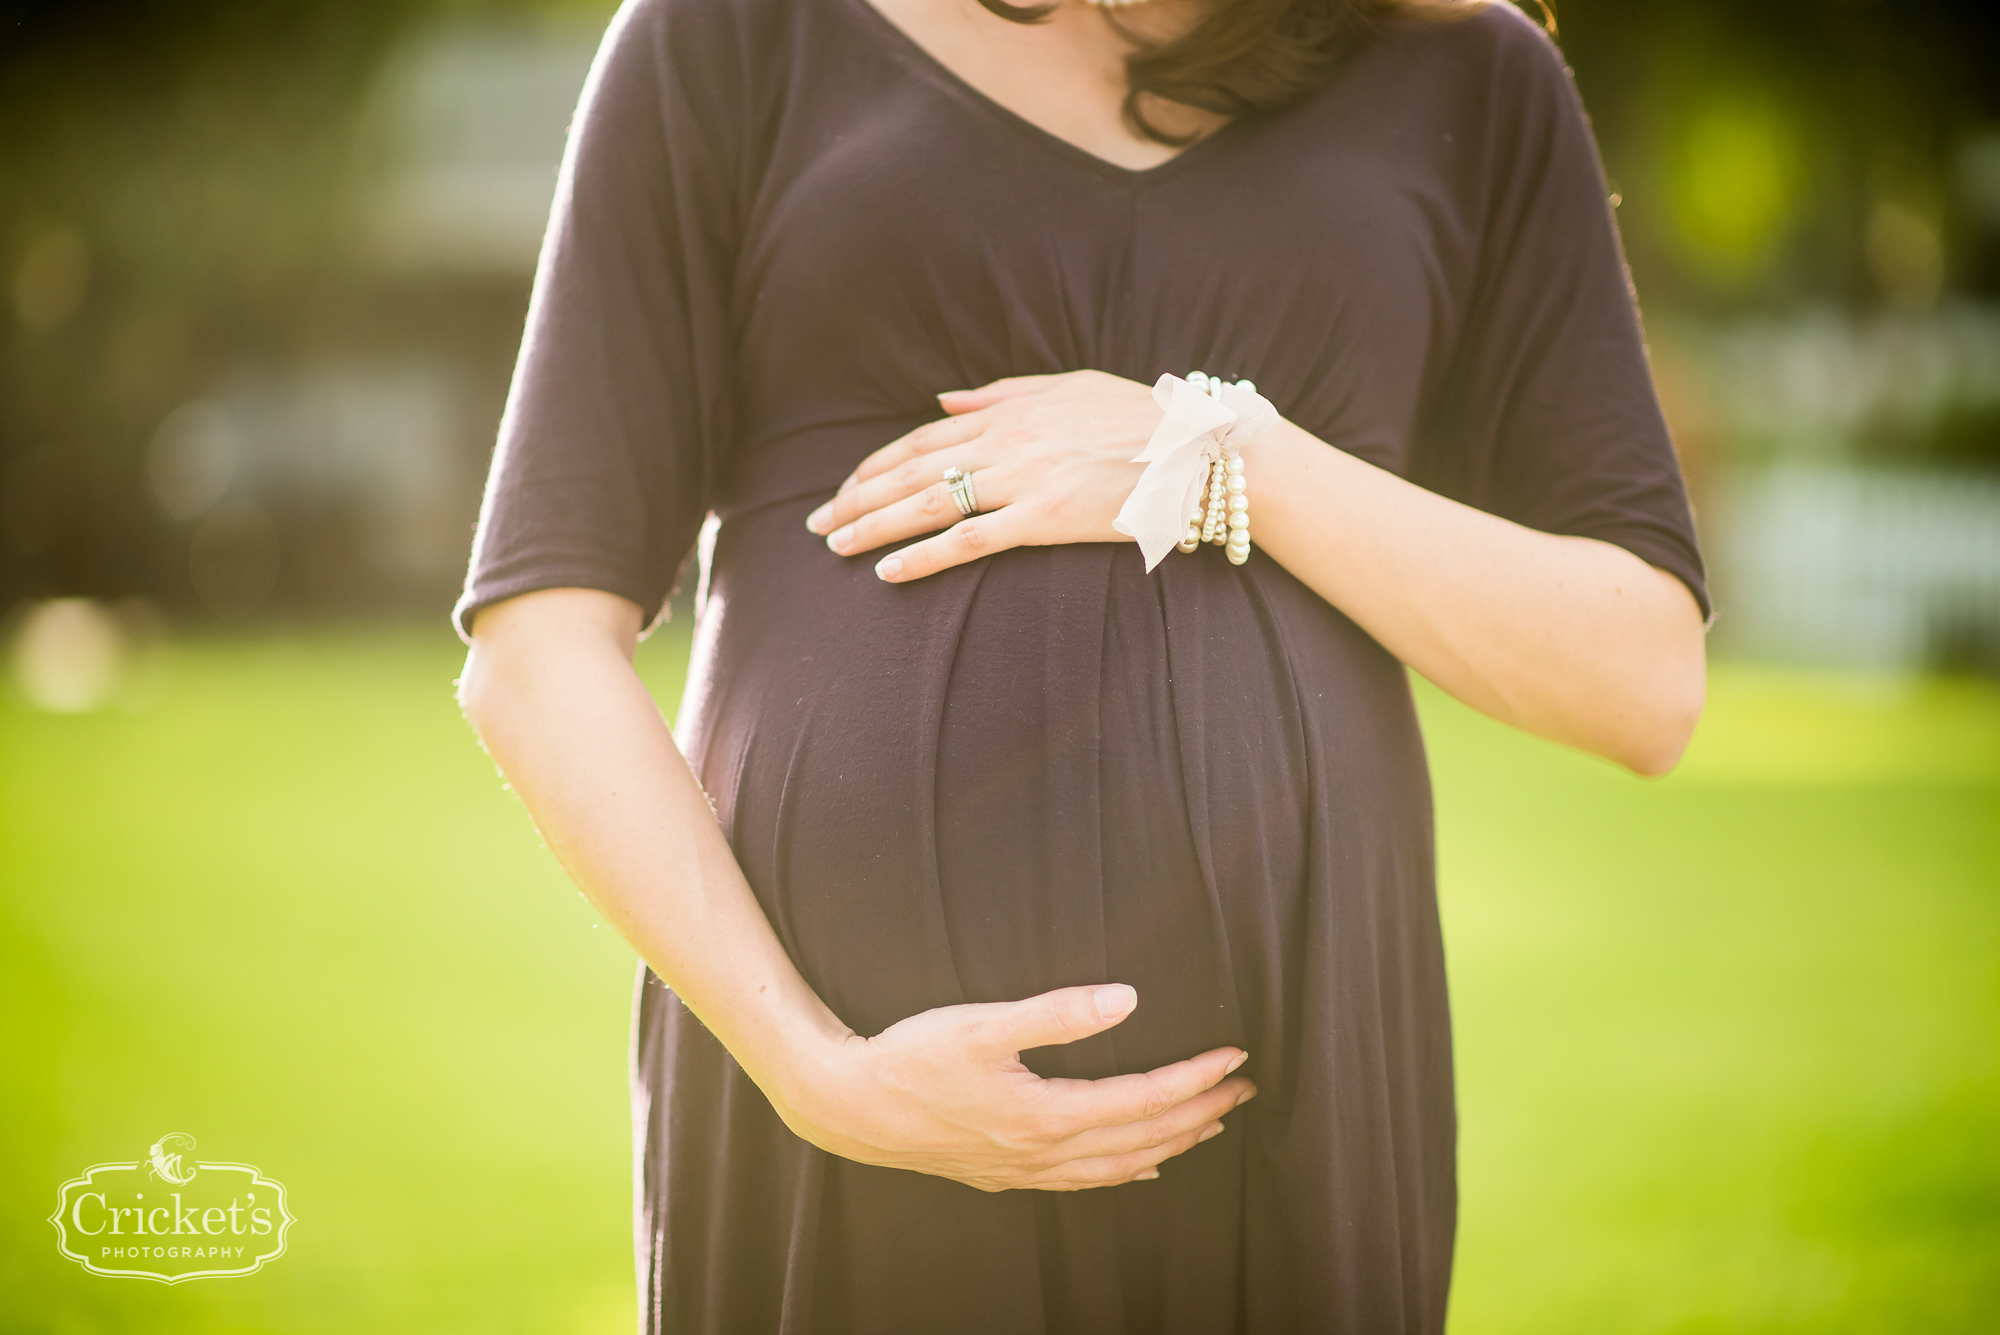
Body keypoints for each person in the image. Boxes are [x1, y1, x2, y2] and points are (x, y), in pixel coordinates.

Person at [453, 0, 1709, 1328]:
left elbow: (1640, 677)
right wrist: (819, 1071)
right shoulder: (731, 34)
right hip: (835, 1111)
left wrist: (1221, 459)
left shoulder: (1467, 71)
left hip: (1285, 1119)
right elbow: (536, 648)